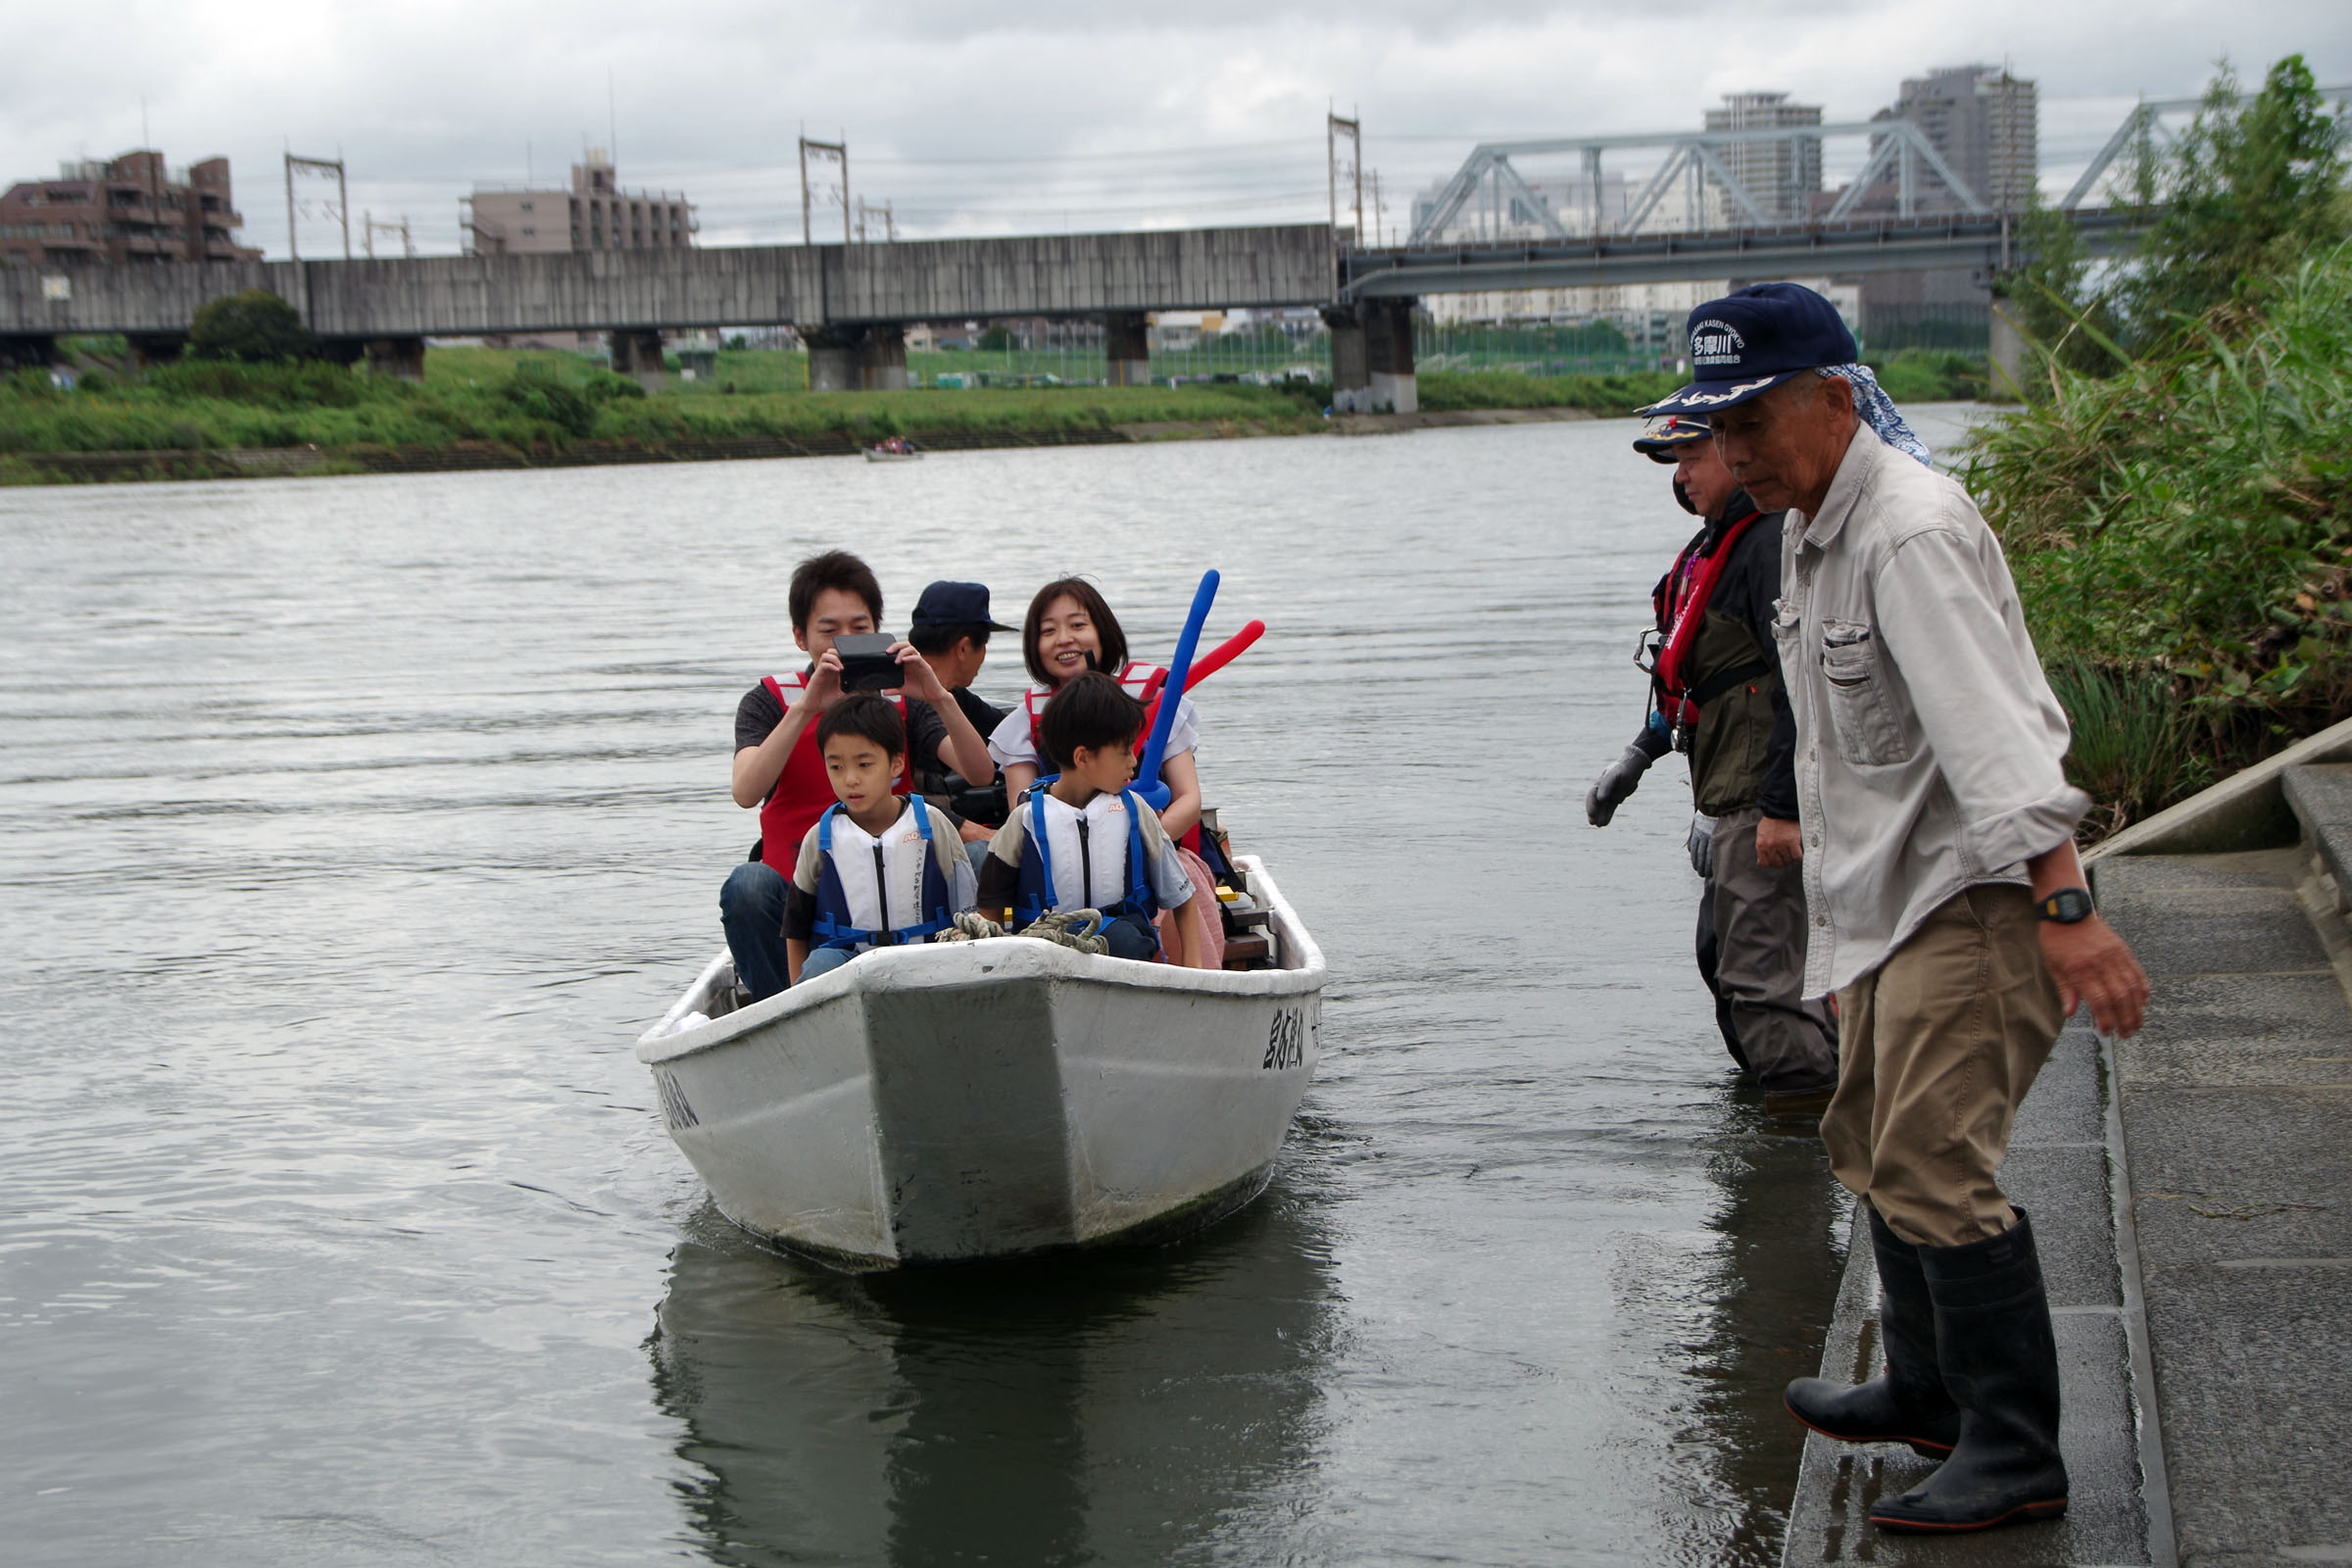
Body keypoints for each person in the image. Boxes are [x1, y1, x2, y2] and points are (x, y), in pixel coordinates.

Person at [1641, 282, 2149, 1535]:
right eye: (1721, 428)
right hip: (1877, 900)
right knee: (1867, 1135)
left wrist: (2068, 906)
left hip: (1970, 899)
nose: (1737, 450)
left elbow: (2001, 736)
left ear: (1832, 398)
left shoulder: (1907, 531)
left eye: (1754, 420)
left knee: (1933, 1160)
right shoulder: (1811, 526)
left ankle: (2018, 1449)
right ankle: (1929, 1391)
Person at [1586, 412, 1839, 1108]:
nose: (1682, 474)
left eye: (1692, 455)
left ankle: (1800, 1152)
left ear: (1737, 452)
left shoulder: (1766, 545)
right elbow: (1694, 678)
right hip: (1727, 795)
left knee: (1761, 979)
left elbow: (1799, 681)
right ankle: (1781, 1104)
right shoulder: (1711, 550)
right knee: (1721, 959)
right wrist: (1639, 754)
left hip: (1761, 801)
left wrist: (1782, 812)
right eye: (1674, 461)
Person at [720, 551, 995, 1002]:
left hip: (904, 897)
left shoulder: (903, 699)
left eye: (860, 627)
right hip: (806, 894)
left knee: (985, 856)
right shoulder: (770, 701)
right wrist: (806, 707)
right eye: (829, 630)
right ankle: (780, 1010)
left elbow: (980, 770)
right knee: (747, 887)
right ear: (799, 635)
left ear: (879, 628)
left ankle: (975, 992)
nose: (844, 640)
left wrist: (939, 696)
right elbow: (746, 791)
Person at [975, 672, 1203, 967]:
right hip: (1044, 954)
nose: (1134, 761)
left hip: (1122, 954)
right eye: (1124, 751)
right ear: (1083, 758)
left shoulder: (1136, 812)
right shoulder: (1025, 821)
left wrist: (1195, 967)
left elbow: (1182, 898)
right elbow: (990, 910)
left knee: (1124, 940)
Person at [987, 578, 1203, 842]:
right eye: (1048, 631)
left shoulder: (1155, 702)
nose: (1064, 639)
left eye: (1078, 625)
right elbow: (1023, 814)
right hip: (1065, 859)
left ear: (1103, 631)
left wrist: (1143, 844)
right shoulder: (1025, 723)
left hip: (1159, 849)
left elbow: (1188, 798)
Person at [781, 696, 978, 985]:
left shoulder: (932, 823)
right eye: (836, 767)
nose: (850, 779)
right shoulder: (820, 838)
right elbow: (795, 927)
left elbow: (967, 907)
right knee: (821, 962)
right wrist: (797, 993)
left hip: (928, 963)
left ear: (896, 764)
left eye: (864, 764)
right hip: (850, 973)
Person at [905, 581, 1016, 839]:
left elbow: (1004, 727)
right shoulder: (912, 702)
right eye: (983, 645)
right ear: (964, 648)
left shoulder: (954, 696)